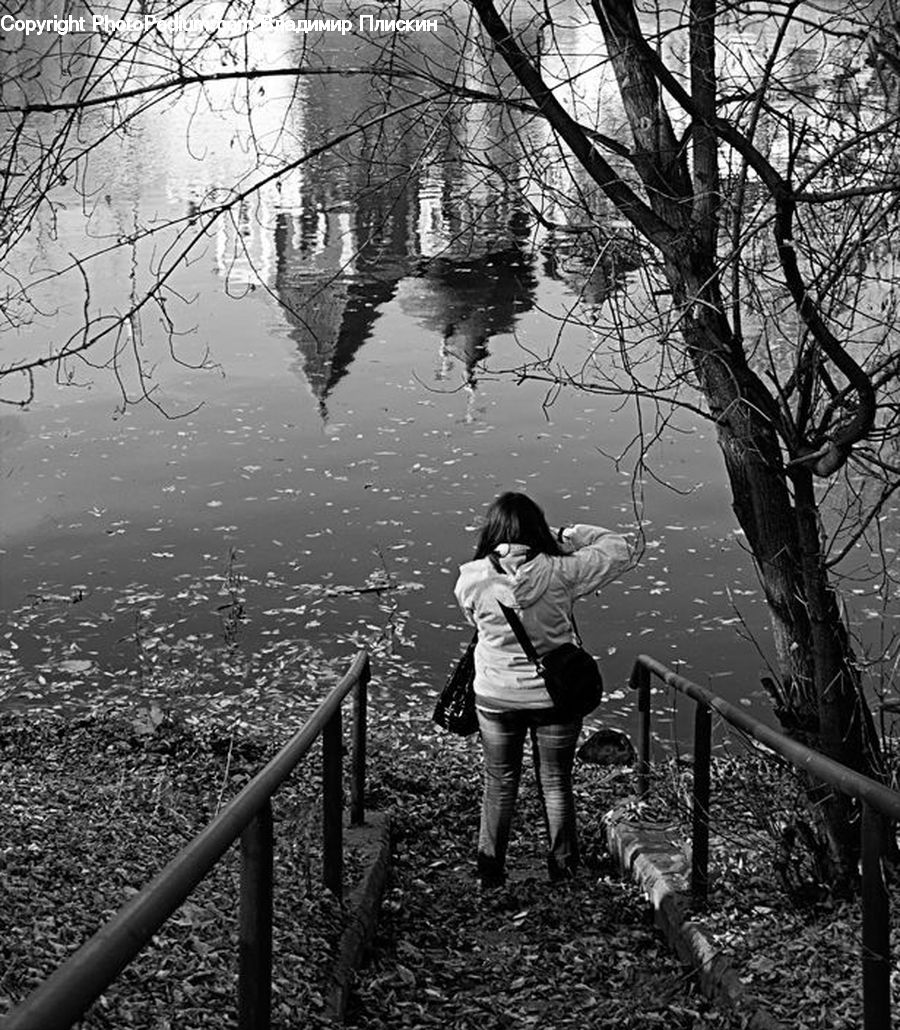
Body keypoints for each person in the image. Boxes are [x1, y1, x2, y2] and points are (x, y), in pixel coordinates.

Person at [454, 491, 631, 888]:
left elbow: (473, 619)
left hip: (496, 695)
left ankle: (490, 870)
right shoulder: (561, 571)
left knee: (499, 781)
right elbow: (619, 548)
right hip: (556, 695)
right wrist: (568, 533)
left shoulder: (473, 578)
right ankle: (563, 867)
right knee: (555, 781)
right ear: (537, 528)